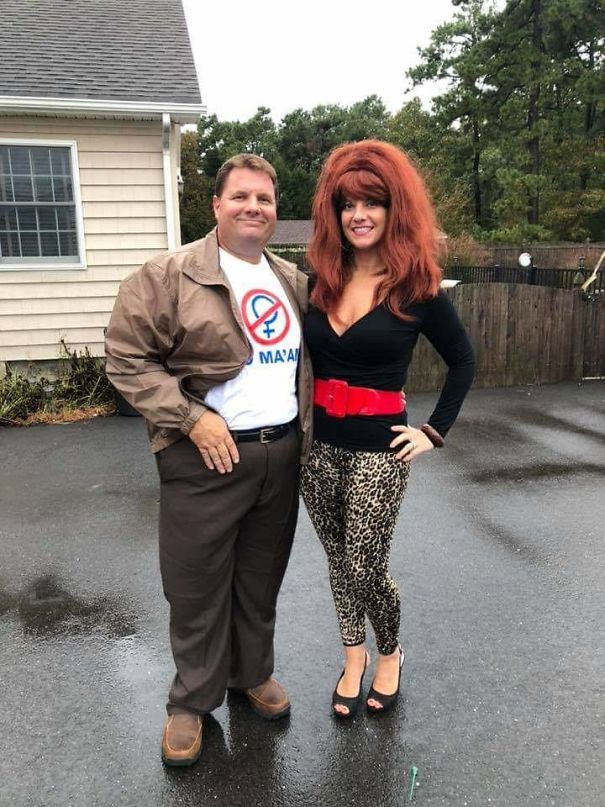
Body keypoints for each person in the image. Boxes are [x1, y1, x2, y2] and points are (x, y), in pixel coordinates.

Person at [104, 154, 312, 765]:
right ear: (216, 205)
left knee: (259, 578)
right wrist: (192, 418)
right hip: (206, 458)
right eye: (242, 196)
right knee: (195, 585)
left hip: (281, 453)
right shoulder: (167, 277)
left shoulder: (292, 280)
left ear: (276, 211)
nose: (255, 207)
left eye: (266, 199)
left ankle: (251, 675)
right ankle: (191, 702)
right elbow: (126, 358)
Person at [300, 140, 475, 718]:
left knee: (364, 564)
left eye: (372, 202)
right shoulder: (319, 280)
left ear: (394, 208)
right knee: (336, 560)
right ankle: (353, 657)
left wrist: (432, 432)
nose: (359, 215)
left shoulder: (418, 287)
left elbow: (463, 362)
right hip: (318, 450)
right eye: (348, 203)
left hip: (380, 451)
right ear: (334, 211)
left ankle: (391, 652)